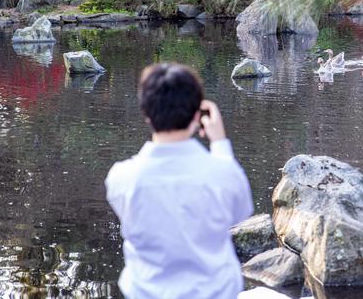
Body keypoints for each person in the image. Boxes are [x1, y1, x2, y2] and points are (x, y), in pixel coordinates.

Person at [105, 63, 253, 299]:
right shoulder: (222, 173)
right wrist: (220, 144)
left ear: (146, 113)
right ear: (197, 116)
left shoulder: (121, 178)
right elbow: (240, 214)